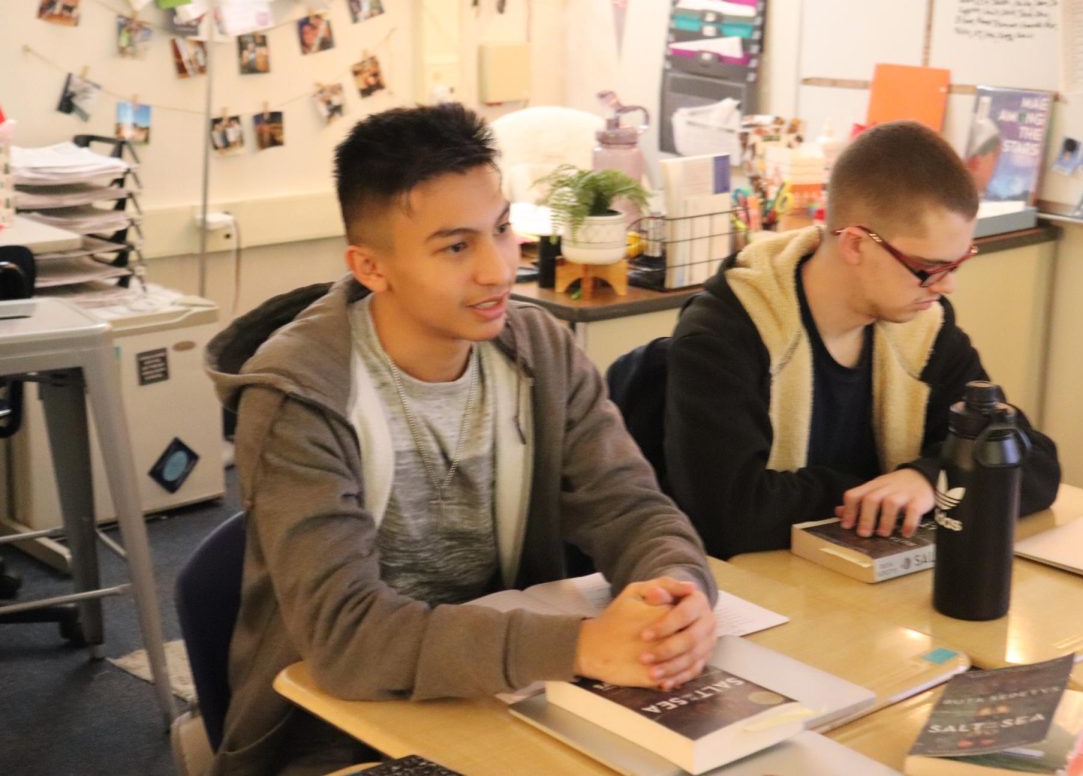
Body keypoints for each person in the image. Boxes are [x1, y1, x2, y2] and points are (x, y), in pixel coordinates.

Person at [205, 104, 718, 776]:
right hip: (332, 724)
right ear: (371, 266)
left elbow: (629, 506)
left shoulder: (541, 352)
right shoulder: (298, 398)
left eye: (501, 229)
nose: (499, 270)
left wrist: (676, 589)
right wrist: (582, 646)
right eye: (456, 246)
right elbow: (346, 638)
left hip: (511, 687)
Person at [662, 121, 1061, 559]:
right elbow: (731, 516)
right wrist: (883, 489)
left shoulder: (924, 330)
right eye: (929, 267)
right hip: (754, 600)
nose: (946, 287)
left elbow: (1033, 459)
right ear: (855, 244)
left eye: (958, 263)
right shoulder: (726, 334)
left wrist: (927, 480)